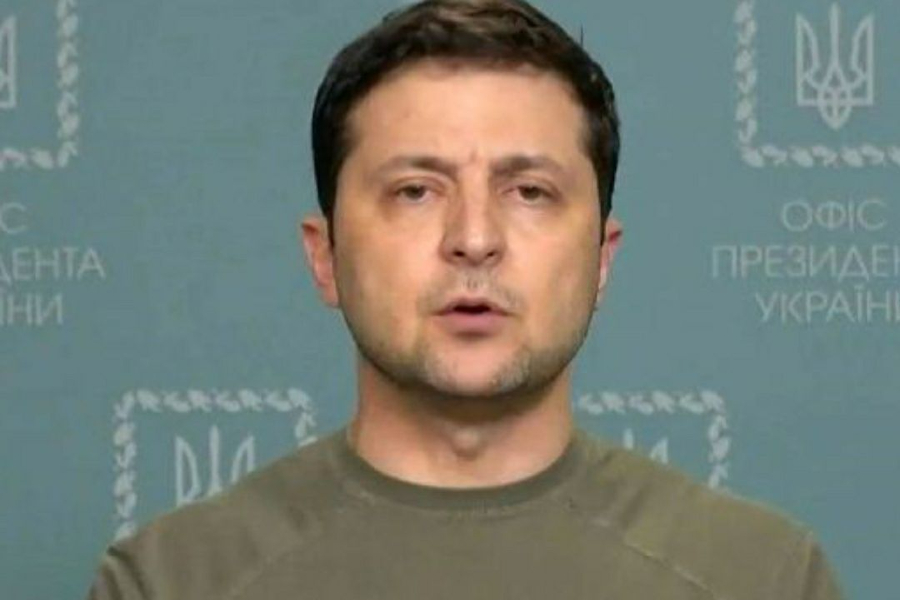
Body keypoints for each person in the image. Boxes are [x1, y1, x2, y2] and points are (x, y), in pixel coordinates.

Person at [86, 1, 844, 598]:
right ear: (325, 256)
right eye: (415, 191)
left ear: (601, 259)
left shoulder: (762, 577)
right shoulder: (172, 581)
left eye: (530, 192)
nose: (474, 239)